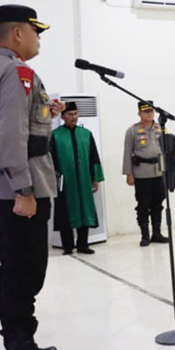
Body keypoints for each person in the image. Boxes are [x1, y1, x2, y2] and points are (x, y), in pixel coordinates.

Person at [0, 4, 73, 350]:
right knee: (24, 272)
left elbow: (14, 123)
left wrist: (46, 111)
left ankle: (22, 347)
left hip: (7, 185)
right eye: (36, 31)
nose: (39, 38)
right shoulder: (19, 71)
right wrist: (25, 189)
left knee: (16, 269)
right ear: (17, 33)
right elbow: (14, 136)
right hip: (23, 187)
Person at [51, 102, 104, 255]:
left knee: (84, 209)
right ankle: (68, 246)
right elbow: (51, 160)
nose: (73, 117)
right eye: (70, 114)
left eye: (75, 114)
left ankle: (83, 245)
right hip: (64, 182)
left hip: (83, 180)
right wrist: (53, 180)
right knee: (65, 212)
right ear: (62, 116)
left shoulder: (86, 134)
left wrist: (95, 178)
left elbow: (94, 157)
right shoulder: (55, 135)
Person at [123, 101, 169, 247]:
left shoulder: (160, 128)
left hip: (159, 172)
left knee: (158, 204)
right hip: (142, 173)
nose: (149, 114)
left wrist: (168, 171)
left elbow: (167, 151)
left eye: (151, 111)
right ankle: (145, 235)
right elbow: (127, 152)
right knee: (143, 205)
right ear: (139, 114)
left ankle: (157, 233)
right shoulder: (133, 130)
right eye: (145, 111)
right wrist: (129, 174)